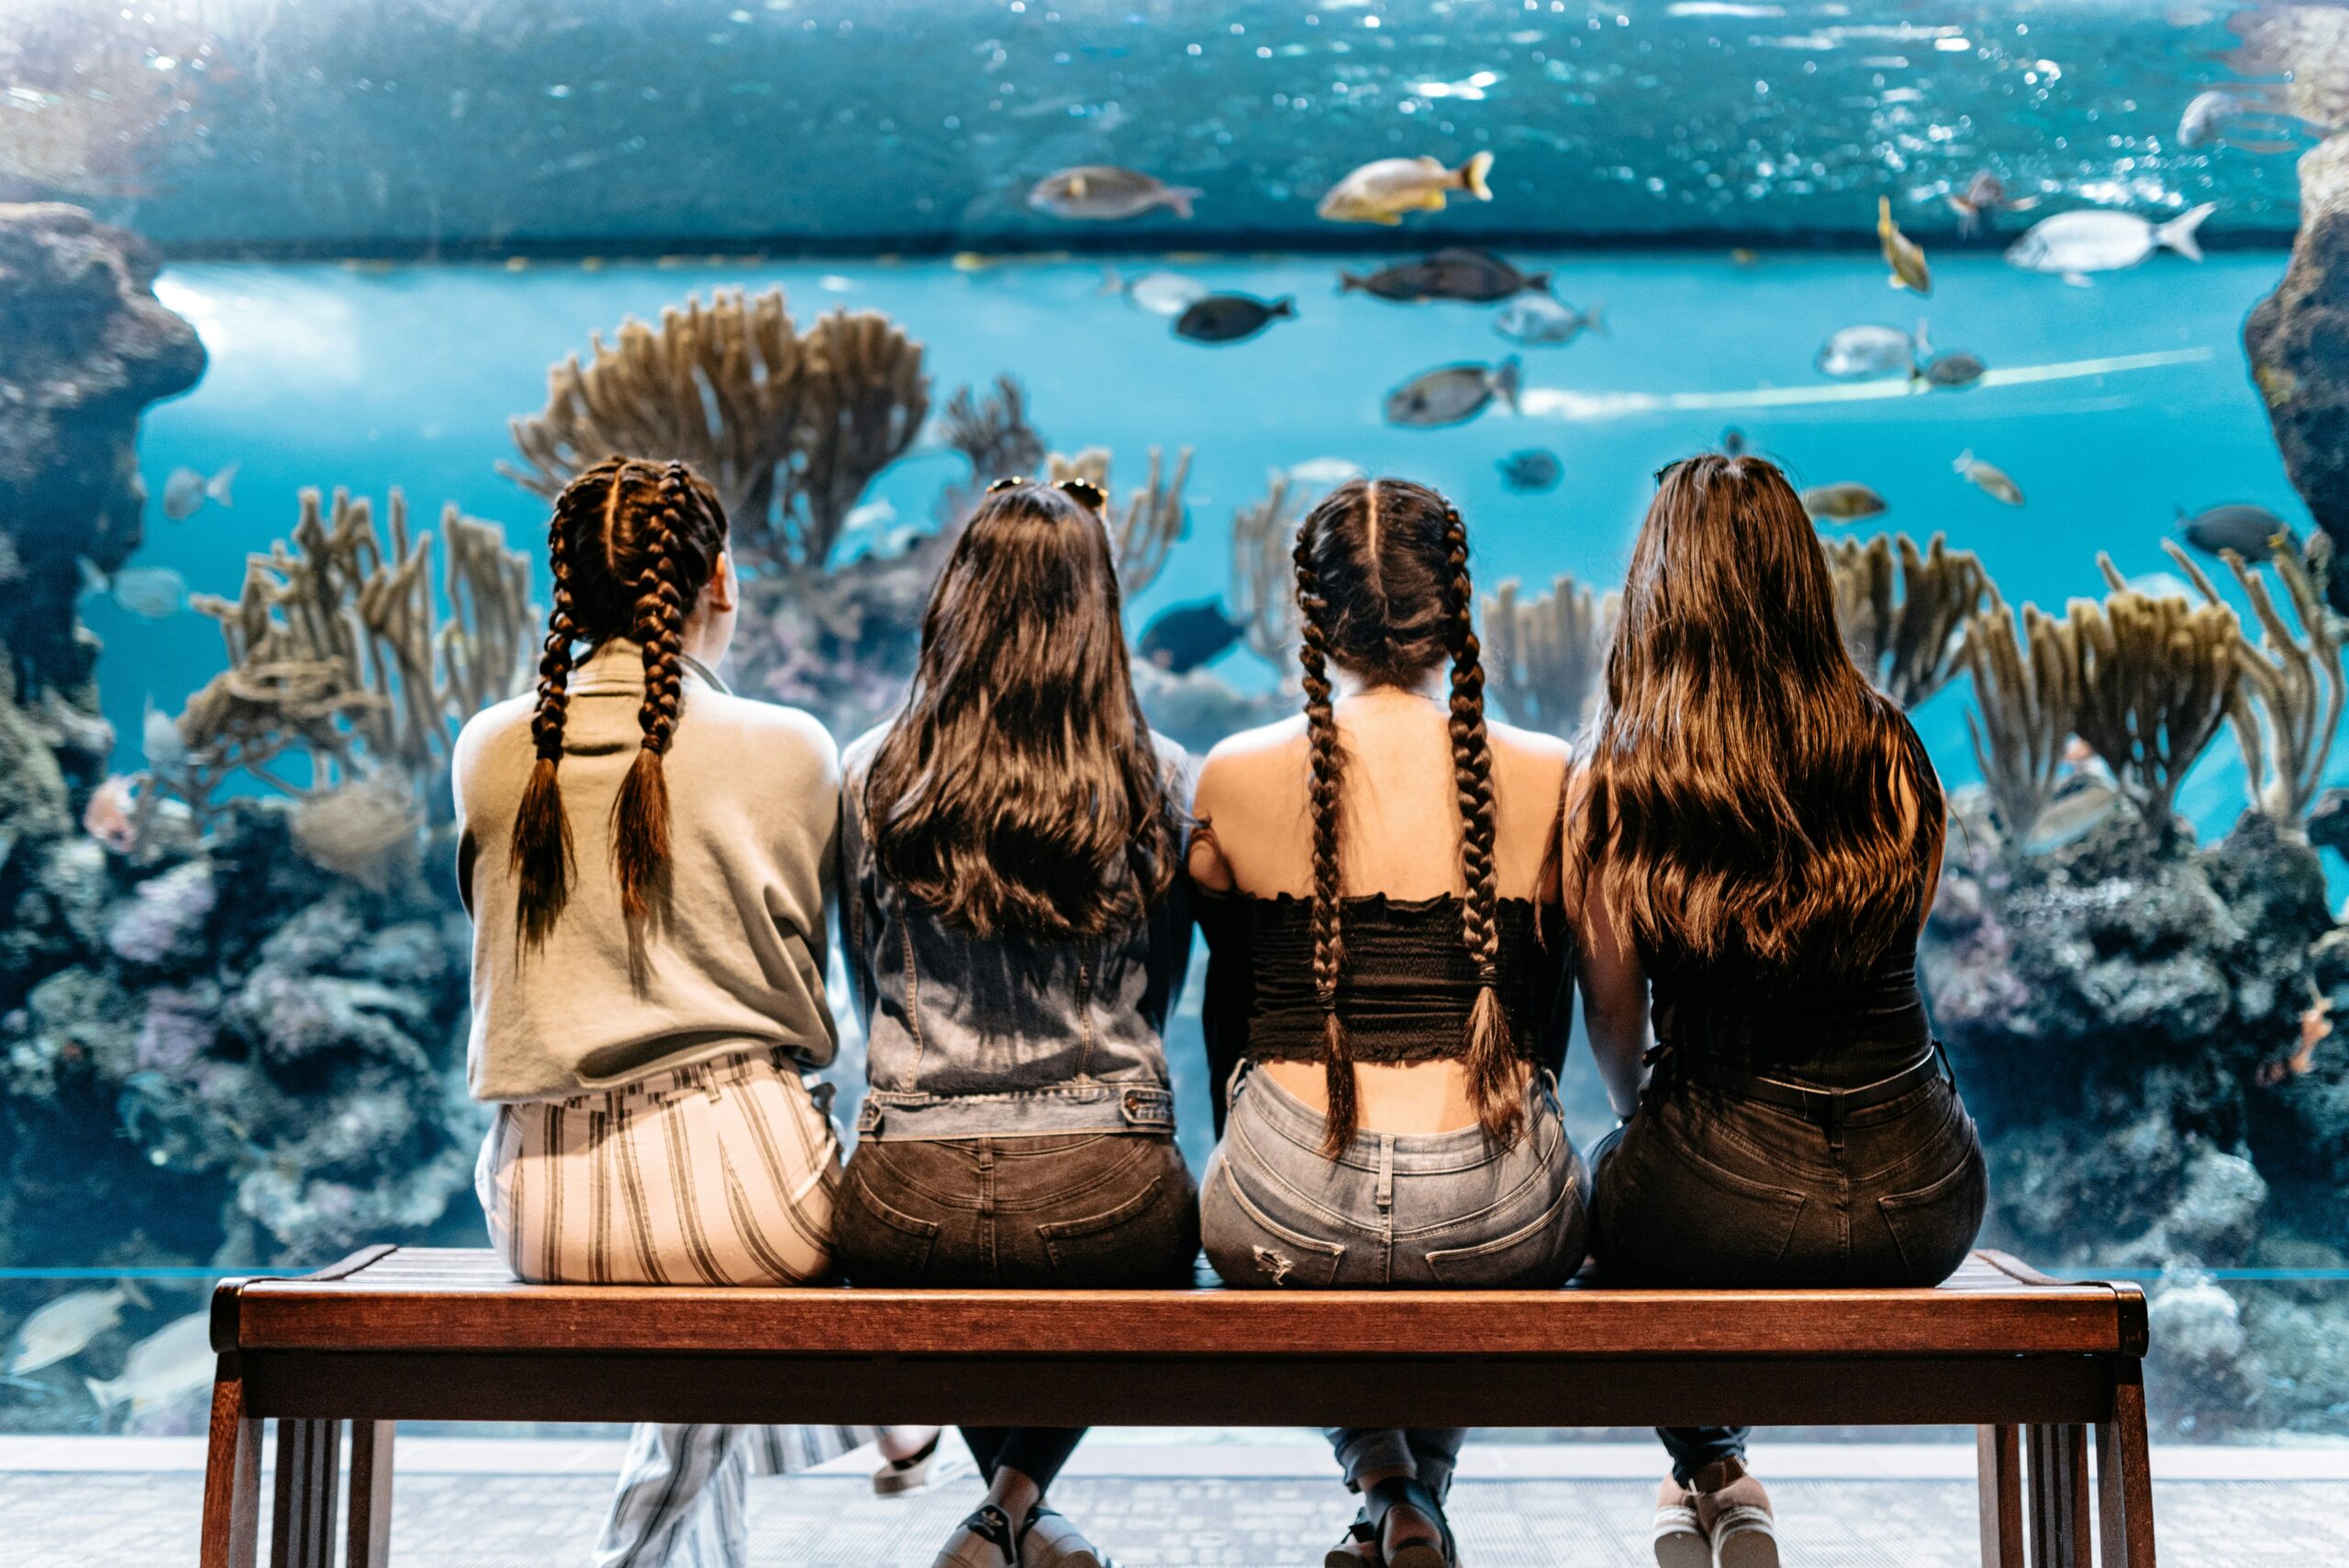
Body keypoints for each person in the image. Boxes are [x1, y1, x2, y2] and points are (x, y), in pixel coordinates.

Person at [1568, 453, 1987, 1568]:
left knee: (1608, 1205)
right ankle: (1714, 1483)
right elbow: (1899, 954)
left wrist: (1644, 1126)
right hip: (1926, 1196)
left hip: (1716, 1195)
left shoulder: (1620, 775)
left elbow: (1613, 1021)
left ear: (1660, 586)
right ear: (1803, 578)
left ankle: (1711, 1464)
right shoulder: (1891, 748)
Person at [455, 455, 874, 1568]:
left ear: (565, 592)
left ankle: (674, 1550)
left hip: (543, 1207)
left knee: (705, 1314)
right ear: (720, 579)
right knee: (741, 1275)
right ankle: (647, 1547)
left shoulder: (494, 748)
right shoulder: (793, 746)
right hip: (753, 1187)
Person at [1190, 478, 1584, 1568]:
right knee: (1464, 1242)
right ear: (1460, 612)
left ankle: (1388, 1480)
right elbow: (1540, 1031)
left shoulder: (1229, 773)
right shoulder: (1551, 775)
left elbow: (1230, 1016)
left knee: (1330, 1252)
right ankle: (1415, 1492)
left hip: (1286, 1199)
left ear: (1305, 617)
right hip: (1492, 1208)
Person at [832, 477, 1200, 1568]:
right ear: (1100, 612)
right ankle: (1015, 1499)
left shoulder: (868, 771)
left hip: (905, 1192)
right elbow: (1161, 986)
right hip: (1106, 1187)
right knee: (1104, 1261)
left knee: (964, 1263)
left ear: (954, 599)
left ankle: (1003, 1509)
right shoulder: (1161, 773)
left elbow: (868, 984)